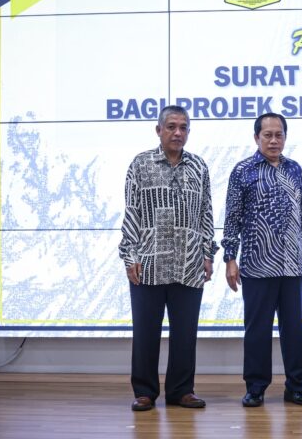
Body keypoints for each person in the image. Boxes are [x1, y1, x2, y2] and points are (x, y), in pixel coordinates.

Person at [119, 105, 217, 412]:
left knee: (185, 332)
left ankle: (181, 391)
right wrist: (130, 255)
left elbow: (206, 213)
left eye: (183, 127)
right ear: (158, 130)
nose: (178, 133)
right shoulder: (141, 164)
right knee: (145, 331)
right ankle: (145, 392)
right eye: (172, 126)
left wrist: (207, 253)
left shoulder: (199, 166)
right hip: (148, 262)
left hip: (189, 261)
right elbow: (131, 211)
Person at [222, 112, 302, 407]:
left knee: (293, 329)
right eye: (268, 135)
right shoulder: (243, 171)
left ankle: (296, 387)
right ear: (256, 137)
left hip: (293, 264)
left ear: (285, 138)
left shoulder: (295, 170)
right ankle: (255, 388)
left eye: (279, 135)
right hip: (256, 265)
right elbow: (232, 218)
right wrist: (230, 258)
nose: (274, 140)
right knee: (257, 331)